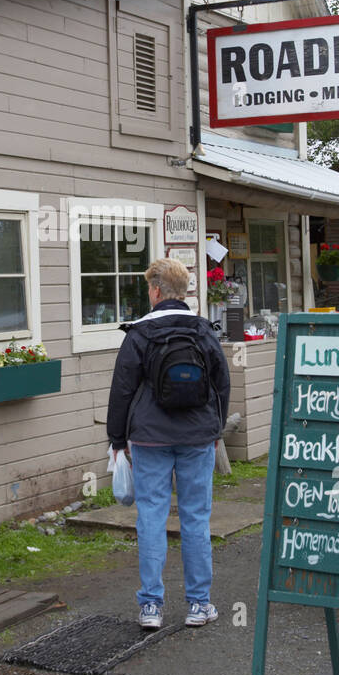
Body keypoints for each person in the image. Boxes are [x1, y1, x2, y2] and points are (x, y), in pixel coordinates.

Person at [106, 257, 230, 629]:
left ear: (156, 291)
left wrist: (117, 439)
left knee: (151, 518)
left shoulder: (139, 334)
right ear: (184, 292)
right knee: (195, 518)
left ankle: (151, 607)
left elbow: (122, 390)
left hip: (150, 438)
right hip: (197, 436)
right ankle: (198, 604)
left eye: (149, 288)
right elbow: (222, 384)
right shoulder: (204, 330)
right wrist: (215, 430)